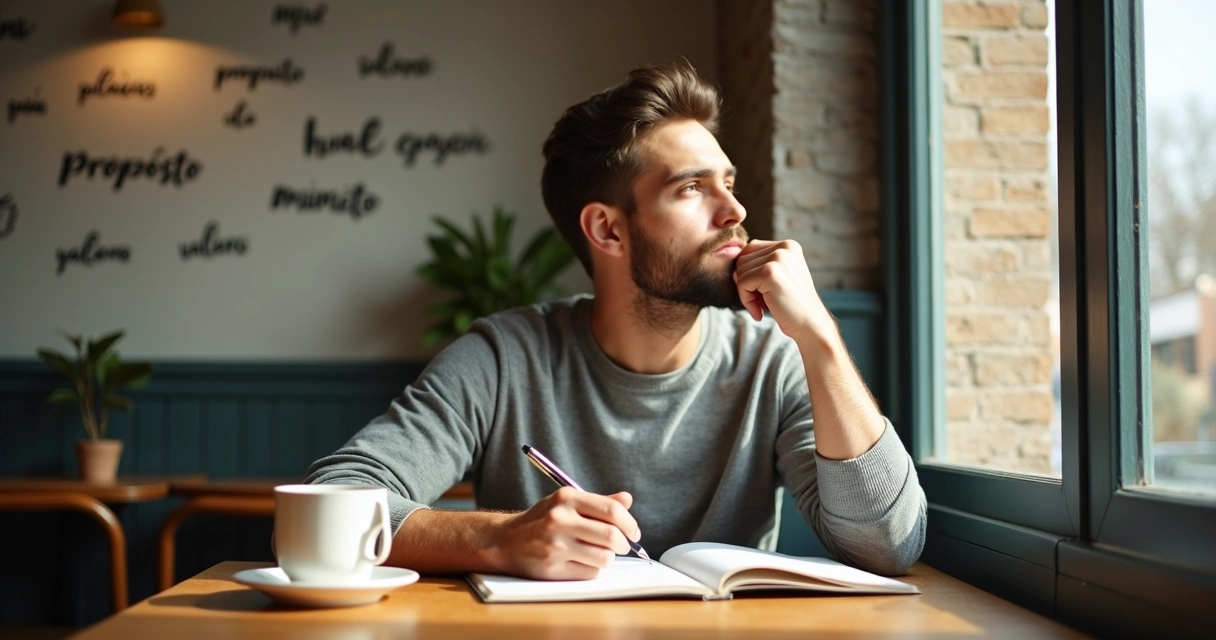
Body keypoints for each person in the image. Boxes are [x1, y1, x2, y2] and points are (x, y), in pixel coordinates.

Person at [306, 63, 926, 579]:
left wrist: (819, 336)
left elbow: (888, 545)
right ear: (607, 229)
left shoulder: (773, 359)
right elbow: (332, 500)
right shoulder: (503, 359)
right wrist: (498, 540)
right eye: (692, 188)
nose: (734, 210)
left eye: (729, 183)